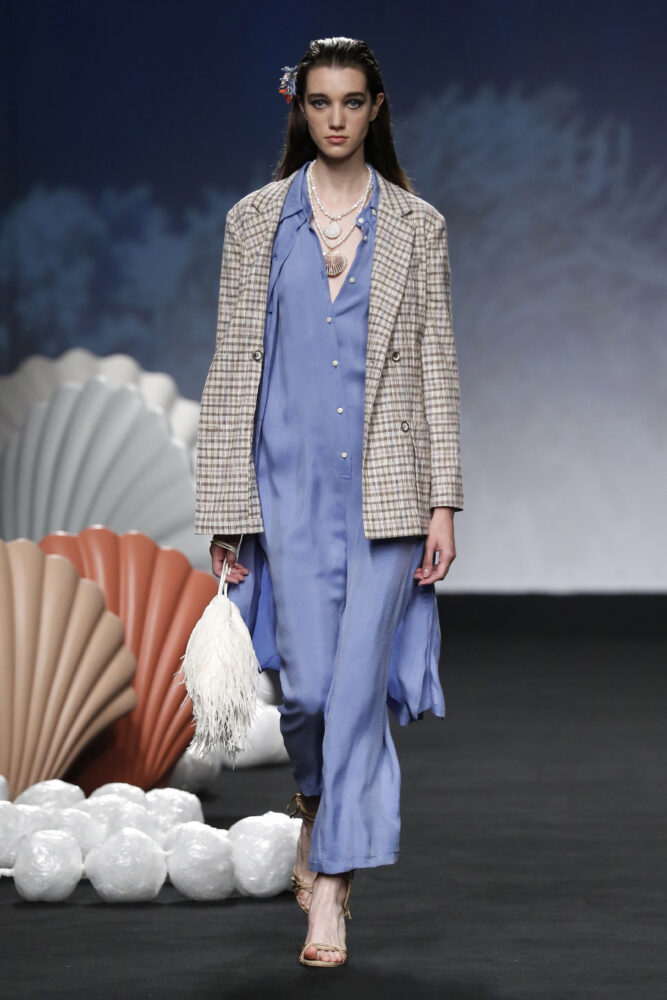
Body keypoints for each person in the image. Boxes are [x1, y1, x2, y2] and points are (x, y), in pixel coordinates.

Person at [195, 36, 464, 968]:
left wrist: (443, 503)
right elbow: (233, 367)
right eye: (320, 102)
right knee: (308, 693)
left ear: (375, 108)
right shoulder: (254, 222)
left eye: (353, 102)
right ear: (298, 108)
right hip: (285, 485)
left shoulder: (418, 226)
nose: (336, 118)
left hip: (386, 491)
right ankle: (315, 807)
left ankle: (334, 891)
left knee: (352, 694)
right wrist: (227, 510)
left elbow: (436, 367)